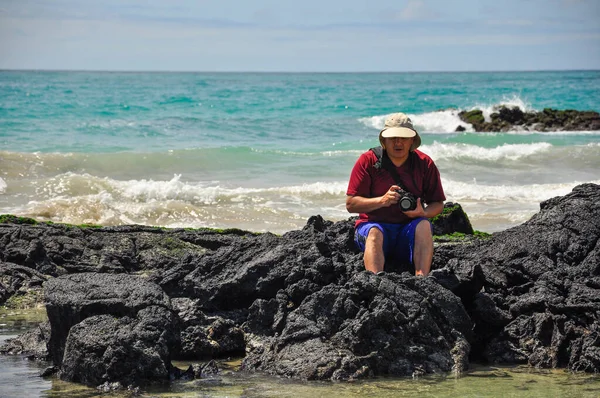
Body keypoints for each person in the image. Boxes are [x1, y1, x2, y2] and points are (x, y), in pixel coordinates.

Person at [346, 112, 445, 276]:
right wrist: (382, 201)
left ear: (412, 140)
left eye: (404, 137)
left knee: (424, 224)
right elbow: (351, 204)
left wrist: (423, 212)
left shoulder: (424, 163)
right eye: (392, 138)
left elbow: (438, 204)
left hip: (407, 230)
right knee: (374, 232)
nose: (398, 142)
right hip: (373, 226)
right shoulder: (368, 161)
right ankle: (376, 284)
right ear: (384, 140)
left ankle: (422, 280)